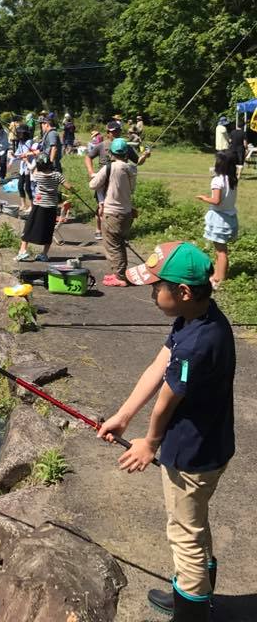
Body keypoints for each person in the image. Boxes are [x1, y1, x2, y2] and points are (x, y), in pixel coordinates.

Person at [98, 242, 235, 621]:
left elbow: (166, 399)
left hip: (193, 454)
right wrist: (124, 416)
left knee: (184, 534)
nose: (152, 293)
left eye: (157, 287)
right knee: (193, 521)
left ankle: (190, 612)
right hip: (208, 446)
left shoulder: (197, 343)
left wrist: (149, 442)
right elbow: (160, 365)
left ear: (183, 292)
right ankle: (194, 595)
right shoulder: (196, 318)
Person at [85, 120, 150, 241]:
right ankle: (99, 229)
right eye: (113, 131)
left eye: (118, 131)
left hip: (119, 180)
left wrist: (145, 155)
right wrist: (91, 172)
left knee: (119, 206)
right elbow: (88, 156)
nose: (115, 133)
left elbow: (137, 162)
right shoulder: (102, 145)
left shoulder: (125, 146)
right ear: (108, 132)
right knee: (101, 206)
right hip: (103, 179)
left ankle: (118, 230)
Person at [88, 137, 137, 287]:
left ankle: (120, 277)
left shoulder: (109, 167)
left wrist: (96, 176)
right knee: (120, 243)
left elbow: (93, 185)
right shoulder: (131, 169)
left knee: (113, 246)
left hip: (112, 212)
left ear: (112, 153)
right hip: (127, 213)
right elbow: (132, 189)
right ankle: (117, 272)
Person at [15, 154, 72, 263]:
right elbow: (68, 186)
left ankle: (23, 251)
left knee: (29, 227)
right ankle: (44, 254)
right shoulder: (57, 175)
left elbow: (33, 171)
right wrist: (73, 190)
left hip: (39, 205)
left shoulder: (38, 175)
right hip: (51, 206)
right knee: (48, 230)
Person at [196, 152, 238, 287]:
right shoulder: (232, 179)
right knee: (221, 250)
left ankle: (218, 279)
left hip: (219, 220)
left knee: (221, 252)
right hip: (230, 217)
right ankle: (220, 272)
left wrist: (203, 198)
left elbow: (216, 200)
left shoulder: (217, 180)